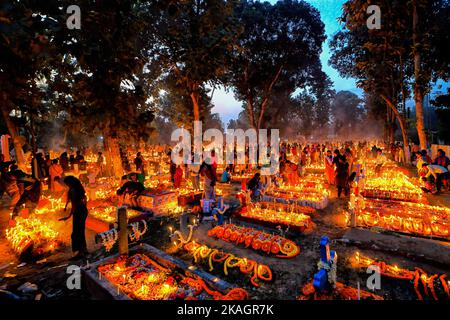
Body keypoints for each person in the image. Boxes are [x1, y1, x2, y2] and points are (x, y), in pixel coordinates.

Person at [59, 176, 89, 260]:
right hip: (83, 210)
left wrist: (69, 216)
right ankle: (84, 250)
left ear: (70, 183)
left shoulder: (73, 190)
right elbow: (85, 199)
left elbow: (74, 205)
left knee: (76, 233)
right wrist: (85, 209)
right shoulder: (80, 189)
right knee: (81, 231)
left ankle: (79, 253)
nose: (66, 185)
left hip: (78, 211)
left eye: (67, 184)